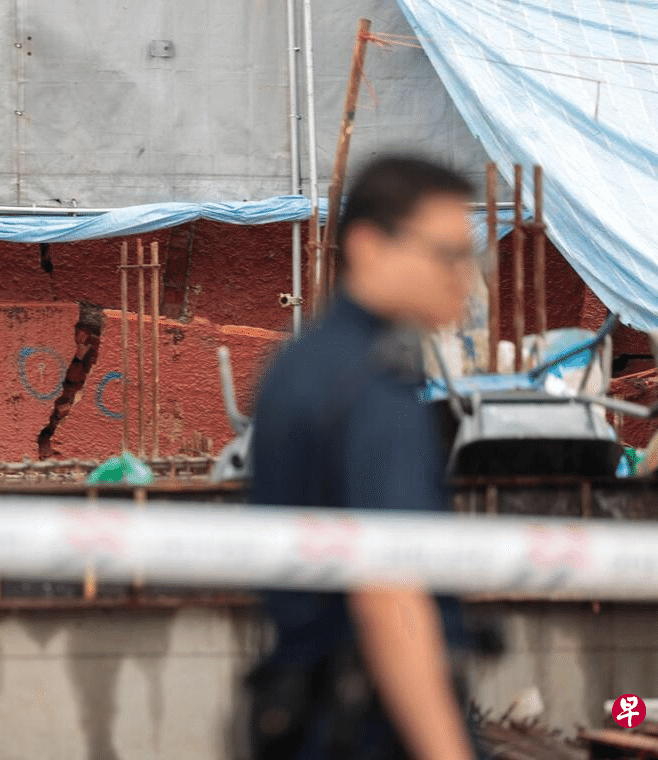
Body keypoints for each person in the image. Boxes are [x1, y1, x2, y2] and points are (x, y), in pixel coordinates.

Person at [247, 156, 483, 760]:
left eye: (470, 255)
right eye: (446, 254)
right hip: (372, 727)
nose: (465, 276)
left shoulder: (299, 366)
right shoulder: (377, 391)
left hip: (300, 716)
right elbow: (389, 595)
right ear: (369, 246)